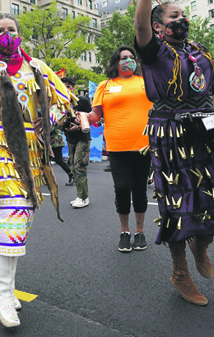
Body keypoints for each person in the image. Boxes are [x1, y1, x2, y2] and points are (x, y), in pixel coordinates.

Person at [133, 0, 214, 306]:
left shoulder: (199, 52)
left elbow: (213, 80)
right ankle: (180, 273)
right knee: (179, 206)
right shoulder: (155, 52)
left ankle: (202, 242)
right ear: (159, 26)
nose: (182, 18)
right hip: (171, 131)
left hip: (208, 128)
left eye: (183, 13)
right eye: (173, 15)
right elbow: (139, 23)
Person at [0, 10, 74, 327]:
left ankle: (3, 281)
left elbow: (64, 103)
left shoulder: (38, 68)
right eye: (0, 31)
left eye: (11, 29)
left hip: (32, 149)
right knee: (13, 208)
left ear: (19, 34)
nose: (6, 34)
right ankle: (4, 294)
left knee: (24, 216)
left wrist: (47, 118)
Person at [81, 45, 153, 252]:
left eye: (131, 57)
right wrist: (83, 116)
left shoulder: (146, 81)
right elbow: (96, 115)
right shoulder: (105, 86)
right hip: (117, 147)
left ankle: (140, 231)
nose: (128, 61)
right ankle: (124, 230)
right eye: (124, 58)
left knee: (140, 190)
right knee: (122, 188)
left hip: (143, 146)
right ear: (116, 62)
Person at [60, 77, 92, 208]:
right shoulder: (60, 102)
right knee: (73, 167)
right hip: (70, 138)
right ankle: (80, 195)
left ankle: (83, 197)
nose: (64, 89)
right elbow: (58, 121)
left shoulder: (82, 100)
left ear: (72, 87)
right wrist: (65, 126)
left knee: (79, 166)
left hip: (82, 137)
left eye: (67, 86)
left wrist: (78, 126)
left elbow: (93, 117)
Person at [49, 114, 74, 186]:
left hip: (56, 141)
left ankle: (71, 176)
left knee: (59, 160)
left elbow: (51, 129)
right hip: (52, 141)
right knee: (46, 160)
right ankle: (48, 177)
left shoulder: (52, 116)